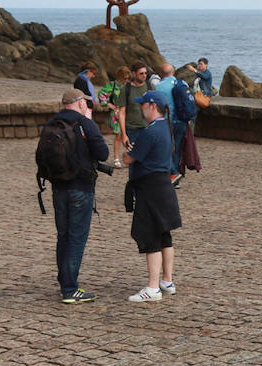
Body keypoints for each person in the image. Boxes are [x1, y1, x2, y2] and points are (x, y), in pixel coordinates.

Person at [47, 89, 110, 304]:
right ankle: (70, 288)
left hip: (58, 187)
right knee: (76, 237)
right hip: (80, 187)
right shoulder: (85, 124)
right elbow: (103, 153)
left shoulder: (52, 123)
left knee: (63, 236)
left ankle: (64, 281)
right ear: (80, 103)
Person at [124, 91, 181, 302]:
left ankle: (153, 287)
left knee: (150, 236)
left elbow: (128, 159)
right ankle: (167, 280)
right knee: (164, 234)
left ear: (152, 106)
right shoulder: (166, 127)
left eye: (143, 104)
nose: (140, 108)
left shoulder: (150, 132)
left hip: (150, 188)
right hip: (164, 185)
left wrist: (128, 151)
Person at [117, 62, 152, 153]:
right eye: (141, 73)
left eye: (146, 73)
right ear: (133, 73)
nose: (144, 75)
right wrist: (123, 134)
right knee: (133, 157)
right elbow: (121, 113)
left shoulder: (150, 87)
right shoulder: (126, 89)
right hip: (131, 130)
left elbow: (156, 108)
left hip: (148, 128)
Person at [100, 65, 130, 166]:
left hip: (128, 112)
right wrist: (109, 104)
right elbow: (101, 94)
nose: (126, 80)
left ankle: (129, 156)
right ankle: (116, 158)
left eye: (128, 78)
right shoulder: (112, 85)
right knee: (118, 135)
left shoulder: (129, 86)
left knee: (128, 134)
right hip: (117, 112)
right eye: (125, 78)